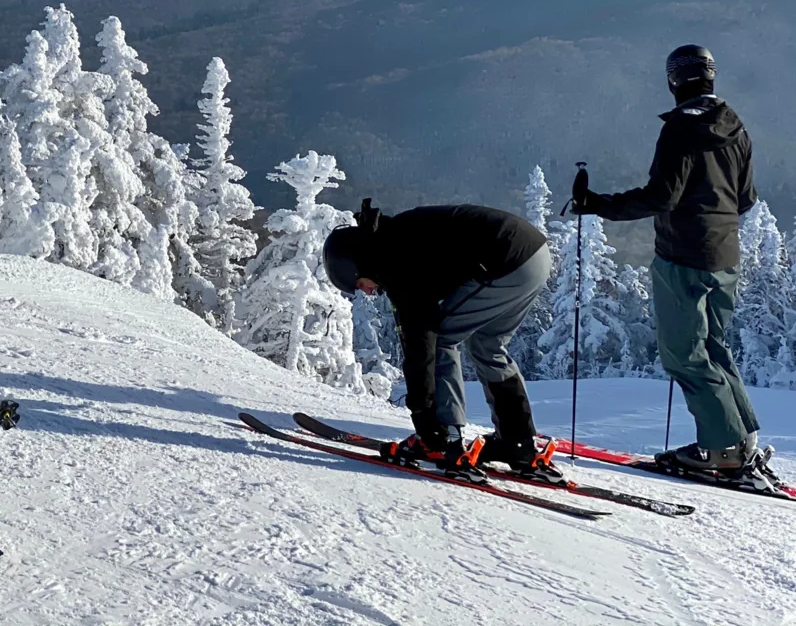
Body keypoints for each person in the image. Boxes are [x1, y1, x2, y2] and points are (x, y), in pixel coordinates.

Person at [573, 44, 761, 478]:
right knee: (714, 346)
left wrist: (597, 203)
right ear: (711, 76)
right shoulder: (736, 127)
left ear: (674, 80)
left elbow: (662, 197)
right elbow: (746, 198)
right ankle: (739, 436)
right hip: (726, 256)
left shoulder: (679, 129)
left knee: (684, 355)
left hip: (683, 257)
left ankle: (721, 451)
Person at [324, 202, 558, 482]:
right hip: (534, 255)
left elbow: (420, 344)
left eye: (358, 283)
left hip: (504, 261)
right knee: (488, 346)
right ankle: (518, 442)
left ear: (356, 263)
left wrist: (423, 415)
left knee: (443, 338)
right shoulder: (391, 238)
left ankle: (444, 441)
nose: (366, 291)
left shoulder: (393, 261)